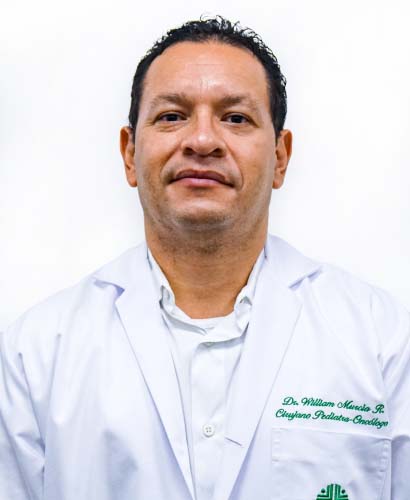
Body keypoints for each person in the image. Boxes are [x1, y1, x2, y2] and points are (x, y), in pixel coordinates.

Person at [0, 15, 409, 500]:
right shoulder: (36, 353)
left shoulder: (382, 342)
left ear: (280, 157)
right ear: (130, 154)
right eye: (172, 116)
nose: (202, 141)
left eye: (235, 118)